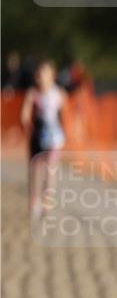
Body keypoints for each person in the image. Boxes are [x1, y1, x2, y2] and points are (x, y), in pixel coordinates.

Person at [20, 60, 67, 220]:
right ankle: (35, 202)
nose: (41, 76)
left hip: (55, 139)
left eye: (45, 73)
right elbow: (25, 115)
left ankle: (47, 203)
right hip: (37, 137)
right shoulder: (33, 93)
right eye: (39, 73)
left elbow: (68, 113)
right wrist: (28, 122)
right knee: (36, 171)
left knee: (50, 171)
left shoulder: (59, 93)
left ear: (52, 76)